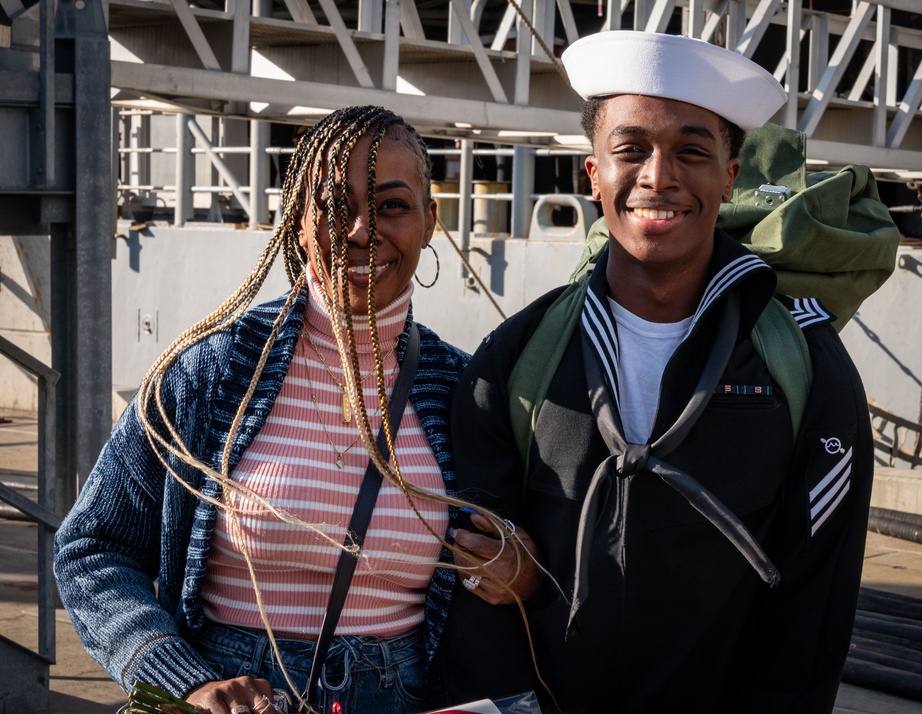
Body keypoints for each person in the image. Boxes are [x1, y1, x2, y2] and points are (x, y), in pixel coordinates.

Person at [438, 31, 875, 713]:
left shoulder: (805, 364)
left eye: (693, 152)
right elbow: (481, 588)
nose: (658, 176)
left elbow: (813, 606)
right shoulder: (516, 359)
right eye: (631, 149)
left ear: (730, 175)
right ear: (592, 173)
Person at [53, 105, 534, 714]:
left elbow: (537, 565)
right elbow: (93, 548)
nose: (360, 231)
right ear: (297, 223)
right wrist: (184, 680)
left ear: (430, 219)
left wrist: (524, 574)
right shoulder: (213, 372)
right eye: (334, 207)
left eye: (391, 205)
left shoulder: (465, 390)